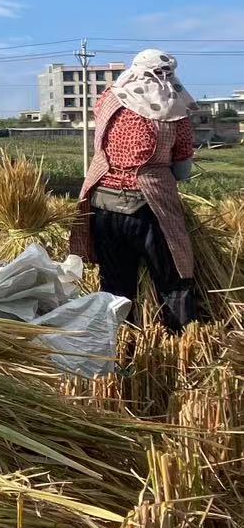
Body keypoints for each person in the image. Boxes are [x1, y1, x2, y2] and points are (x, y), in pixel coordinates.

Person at [73, 49, 204, 331]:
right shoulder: (174, 109)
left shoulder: (109, 99)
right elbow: (182, 168)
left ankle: (119, 340)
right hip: (149, 207)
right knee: (174, 280)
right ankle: (180, 338)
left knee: (115, 284)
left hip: (101, 202)